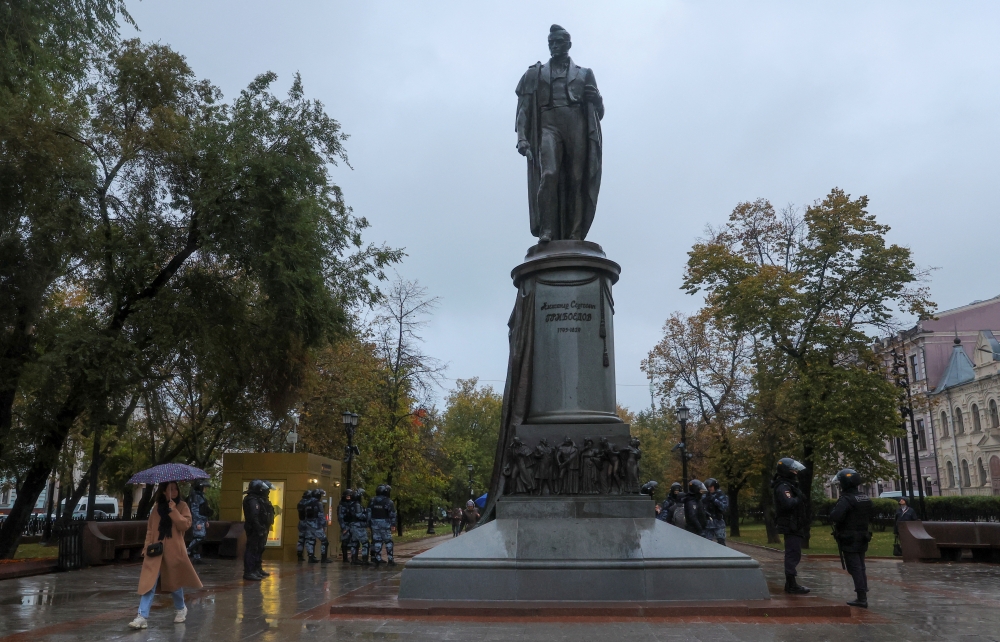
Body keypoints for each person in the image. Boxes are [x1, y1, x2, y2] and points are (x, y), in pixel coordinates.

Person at [129, 481, 203, 630]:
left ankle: (181, 608)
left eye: (175, 489)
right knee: (149, 583)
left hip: (174, 551)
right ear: (164, 491)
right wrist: (146, 547)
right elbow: (150, 529)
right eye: (170, 489)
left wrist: (173, 511)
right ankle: (142, 617)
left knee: (174, 583)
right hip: (155, 551)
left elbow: (185, 525)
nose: (174, 491)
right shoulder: (156, 508)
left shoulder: (182, 506)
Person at [830, 468, 873, 609]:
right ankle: (862, 594)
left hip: (849, 538)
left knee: (855, 567)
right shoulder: (864, 497)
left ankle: (861, 597)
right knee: (861, 566)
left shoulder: (846, 499)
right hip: (863, 537)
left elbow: (836, 516)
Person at [772, 457, 810, 595]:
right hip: (790, 524)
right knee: (792, 553)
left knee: (795, 553)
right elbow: (788, 504)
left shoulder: (789, 485)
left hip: (795, 523)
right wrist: (799, 497)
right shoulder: (783, 486)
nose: (795, 471)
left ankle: (791, 583)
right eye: (793, 469)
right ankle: (791, 584)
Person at [242, 479, 272, 581]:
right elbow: (253, 515)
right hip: (254, 528)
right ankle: (250, 571)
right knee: (252, 548)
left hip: (261, 526)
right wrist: (258, 527)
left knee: (259, 548)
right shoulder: (251, 500)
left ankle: (257, 569)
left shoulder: (259, 499)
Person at [368, 484, 397, 565]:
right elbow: (392, 514)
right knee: (388, 542)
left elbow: (369, 513)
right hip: (385, 524)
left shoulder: (372, 501)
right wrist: (393, 524)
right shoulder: (388, 501)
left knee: (377, 541)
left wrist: (369, 523)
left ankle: (377, 559)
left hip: (374, 524)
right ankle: (390, 560)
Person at [186, 481, 210, 563]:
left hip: (202, 520)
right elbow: (195, 510)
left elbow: (204, 509)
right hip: (198, 520)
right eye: (204, 487)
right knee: (199, 537)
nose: (205, 489)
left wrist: (206, 520)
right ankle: (188, 550)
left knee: (199, 538)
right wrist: (198, 522)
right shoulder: (196, 497)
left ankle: (196, 557)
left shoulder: (201, 496)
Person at [347, 488, 371, 565]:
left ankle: (354, 559)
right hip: (358, 526)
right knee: (365, 543)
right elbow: (359, 515)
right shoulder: (357, 505)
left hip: (352, 526)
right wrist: (366, 514)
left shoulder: (351, 504)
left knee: (354, 542)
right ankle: (365, 560)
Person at [703, 478, 730, 546]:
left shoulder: (720, 495)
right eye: (708, 487)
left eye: (711, 487)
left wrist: (714, 500)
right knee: (707, 543)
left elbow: (724, 507)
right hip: (708, 522)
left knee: (721, 542)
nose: (710, 489)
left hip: (718, 522)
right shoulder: (704, 496)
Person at [296, 490, 313, 562]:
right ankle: (310, 556)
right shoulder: (310, 503)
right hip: (308, 523)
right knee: (309, 540)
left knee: (301, 540)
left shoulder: (300, 503)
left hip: (301, 522)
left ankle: (299, 555)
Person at [337, 489, 353, 563]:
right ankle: (345, 558)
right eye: (347, 496)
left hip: (352, 524)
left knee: (354, 541)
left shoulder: (352, 504)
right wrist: (343, 527)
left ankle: (354, 557)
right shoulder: (341, 506)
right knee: (345, 542)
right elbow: (340, 517)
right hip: (346, 525)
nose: (349, 497)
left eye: (350, 496)